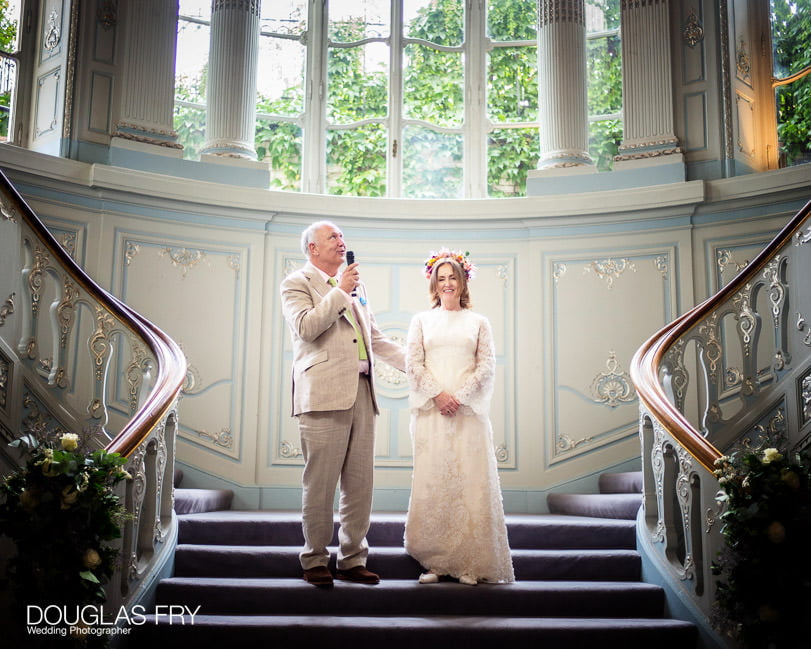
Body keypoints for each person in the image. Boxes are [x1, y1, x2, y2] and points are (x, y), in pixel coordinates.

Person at [280, 221, 405, 588]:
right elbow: (306, 327)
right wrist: (341, 292)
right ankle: (315, 559)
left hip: (362, 394)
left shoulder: (356, 286)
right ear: (312, 248)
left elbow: (376, 339)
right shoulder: (296, 283)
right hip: (321, 394)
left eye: (342, 236)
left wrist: (419, 365)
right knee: (320, 484)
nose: (341, 241)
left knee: (360, 484)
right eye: (332, 237)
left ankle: (352, 558)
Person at [404, 249, 515, 586]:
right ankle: (437, 562)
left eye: (453, 277)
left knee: (470, 483)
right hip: (432, 414)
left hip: (468, 414)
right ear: (434, 284)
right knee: (436, 482)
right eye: (441, 278)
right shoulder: (421, 321)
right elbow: (413, 363)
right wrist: (438, 395)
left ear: (463, 281)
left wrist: (460, 397)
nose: (447, 283)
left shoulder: (478, 322)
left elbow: (486, 366)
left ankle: (469, 563)